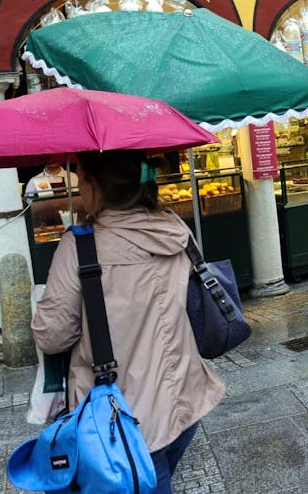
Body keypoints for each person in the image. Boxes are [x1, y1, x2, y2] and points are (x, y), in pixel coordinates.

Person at [31, 150, 225, 493]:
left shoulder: (79, 246)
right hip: (186, 397)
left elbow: (52, 336)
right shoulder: (175, 228)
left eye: (82, 177)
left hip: (122, 419)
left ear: (95, 184)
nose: (79, 185)